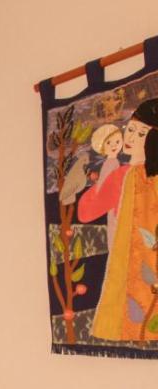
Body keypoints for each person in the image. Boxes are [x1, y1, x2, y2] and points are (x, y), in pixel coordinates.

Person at [78, 100, 158, 342]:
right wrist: (108, 168)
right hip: (127, 264)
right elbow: (86, 213)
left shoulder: (131, 176)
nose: (131, 137)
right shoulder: (122, 175)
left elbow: (86, 211)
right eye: (130, 129)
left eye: (141, 133)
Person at [89, 123, 123, 249]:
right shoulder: (111, 162)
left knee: (115, 225)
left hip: (114, 200)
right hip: (113, 201)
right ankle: (114, 250)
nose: (114, 145)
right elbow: (105, 182)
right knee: (114, 225)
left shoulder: (113, 161)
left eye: (117, 141)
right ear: (102, 147)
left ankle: (114, 249)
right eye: (109, 143)